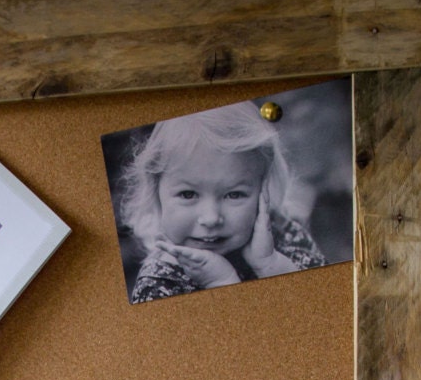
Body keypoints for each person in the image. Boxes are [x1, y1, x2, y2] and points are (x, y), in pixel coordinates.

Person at [116, 101, 326, 303]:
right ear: (156, 194)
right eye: (188, 194)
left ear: (264, 188)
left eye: (234, 195)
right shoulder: (160, 283)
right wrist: (222, 283)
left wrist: (270, 265)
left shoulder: (283, 232)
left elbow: (324, 310)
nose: (211, 218)